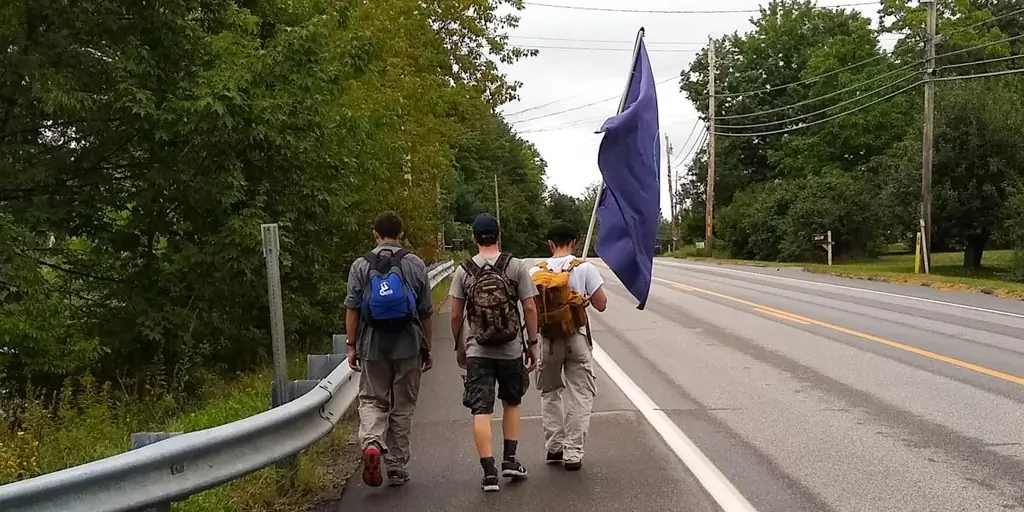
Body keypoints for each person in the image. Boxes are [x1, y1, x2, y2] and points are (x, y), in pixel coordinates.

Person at [449, 213, 540, 492]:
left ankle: (489, 473)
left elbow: (455, 314)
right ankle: (510, 460)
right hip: (511, 348)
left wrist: (460, 345)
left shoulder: (464, 271)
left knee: (481, 409)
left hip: (478, 349)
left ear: (475, 238)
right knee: (512, 402)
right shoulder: (515, 266)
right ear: (498, 236)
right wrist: (532, 342)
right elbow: (530, 307)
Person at [345, 211, 434, 488]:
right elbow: (426, 311)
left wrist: (351, 346)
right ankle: (396, 465)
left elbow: (352, 308)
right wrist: (426, 347)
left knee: (372, 399)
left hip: (373, 344)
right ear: (401, 234)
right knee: (403, 405)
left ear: (375, 234)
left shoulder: (361, 264)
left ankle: (372, 443)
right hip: (408, 343)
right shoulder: (414, 263)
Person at [529, 221, 607, 471]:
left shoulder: (534, 272)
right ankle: (573, 453)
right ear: (574, 242)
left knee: (550, 392)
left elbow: (529, 308)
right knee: (580, 393)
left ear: (550, 244)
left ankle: (554, 447)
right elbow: (601, 304)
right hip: (576, 337)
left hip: (548, 341)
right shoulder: (584, 268)